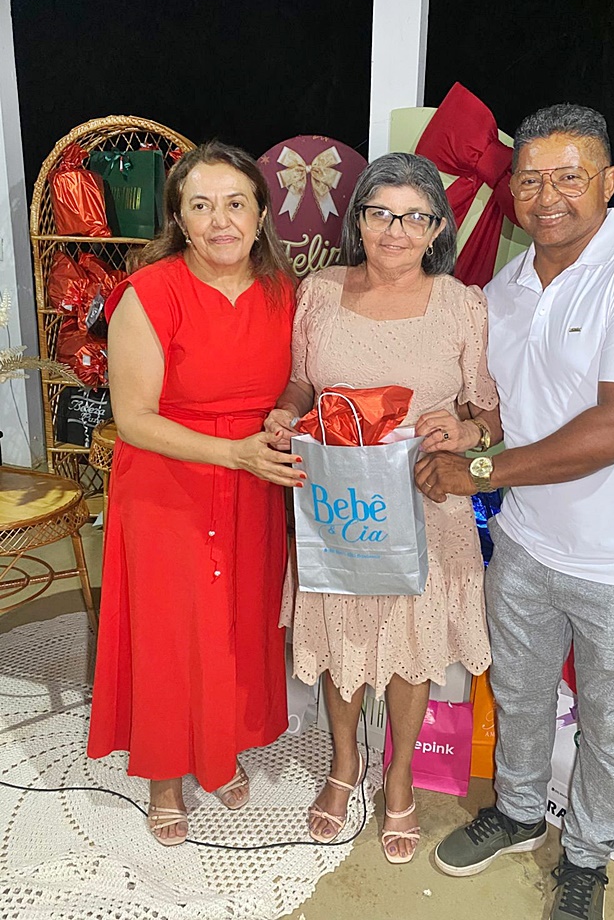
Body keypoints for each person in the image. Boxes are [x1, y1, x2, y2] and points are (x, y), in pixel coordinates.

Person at [418, 105, 614, 919]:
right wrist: (470, 431)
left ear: (607, 182)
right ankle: (516, 812)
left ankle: (586, 858)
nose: (548, 196)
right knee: (520, 695)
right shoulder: (504, 291)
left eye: (569, 177)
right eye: (531, 179)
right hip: (527, 544)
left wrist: (479, 469)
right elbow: (509, 411)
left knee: (612, 726)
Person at [265, 152, 501, 864]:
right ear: (358, 219)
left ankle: (397, 778)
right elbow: (302, 382)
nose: (395, 231)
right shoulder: (318, 292)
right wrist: (285, 411)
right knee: (342, 642)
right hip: (339, 506)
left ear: (437, 228)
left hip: (426, 507)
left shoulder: (461, 304)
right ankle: (344, 767)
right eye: (380, 213)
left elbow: (487, 414)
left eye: (413, 217)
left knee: (410, 650)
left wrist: (465, 433)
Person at [87, 141, 302, 846]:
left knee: (237, 622)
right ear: (178, 218)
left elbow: (295, 383)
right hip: (168, 484)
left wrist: (283, 417)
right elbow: (134, 419)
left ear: (261, 213)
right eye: (201, 205)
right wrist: (232, 452)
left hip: (252, 484)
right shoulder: (148, 294)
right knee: (171, 631)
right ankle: (165, 776)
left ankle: (220, 744)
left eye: (236, 203)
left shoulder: (284, 291)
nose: (220, 220)